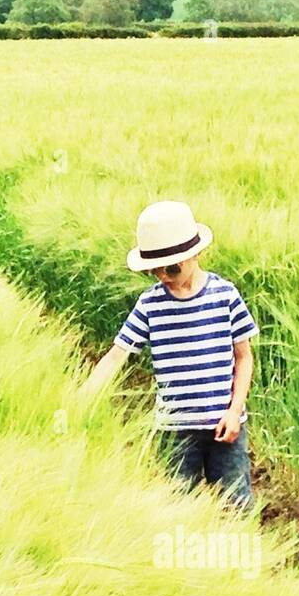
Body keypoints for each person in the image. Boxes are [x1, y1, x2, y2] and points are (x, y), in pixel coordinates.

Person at [79, 200, 257, 508]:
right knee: (175, 509)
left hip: (224, 428)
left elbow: (244, 357)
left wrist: (234, 410)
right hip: (174, 431)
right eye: (154, 269)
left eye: (171, 267)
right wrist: (80, 398)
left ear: (196, 253)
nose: (162, 275)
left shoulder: (225, 295)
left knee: (237, 508)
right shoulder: (150, 305)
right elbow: (115, 356)